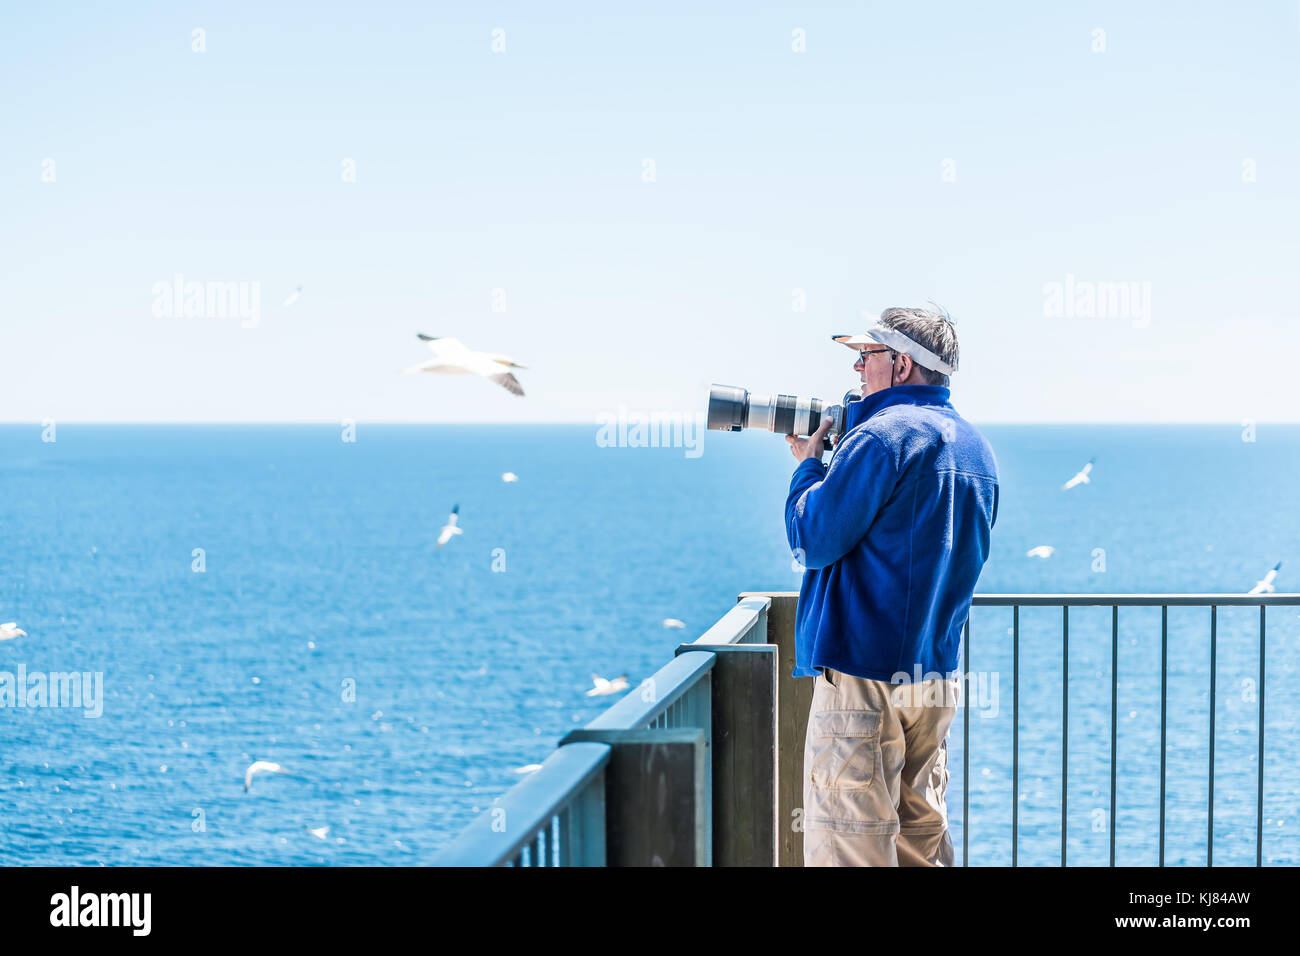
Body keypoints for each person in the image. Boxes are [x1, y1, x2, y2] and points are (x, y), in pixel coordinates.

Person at [784, 306, 999, 867]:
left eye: (867, 355)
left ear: (901, 364)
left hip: (863, 674)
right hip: (932, 677)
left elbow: (813, 540)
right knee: (918, 842)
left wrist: (808, 469)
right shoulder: (976, 450)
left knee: (849, 843)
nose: (857, 367)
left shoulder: (881, 439)